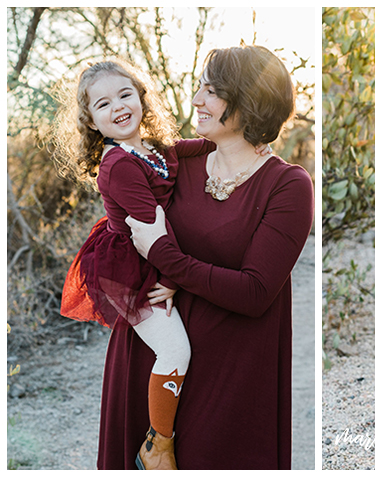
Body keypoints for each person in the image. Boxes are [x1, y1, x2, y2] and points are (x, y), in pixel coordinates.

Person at [101, 45, 312, 469]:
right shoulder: (177, 160)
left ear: (250, 100)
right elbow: (121, 206)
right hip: (154, 356)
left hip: (232, 368)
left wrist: (166, 256)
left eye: (212, 91)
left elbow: (255, 292)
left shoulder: (288, 186)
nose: (197, 99)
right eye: (200, 87)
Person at [53, 58, 250, 469]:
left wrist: (243, 143)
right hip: (129, 263)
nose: (118, 107)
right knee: (175, 349)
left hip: (153, 249)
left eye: (126, 94)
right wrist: (176, 278)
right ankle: (158, 444)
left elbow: (192, 150)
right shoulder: (119, 165)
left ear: (142, 98)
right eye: (103, 104)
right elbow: (149, 230)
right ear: (90, 120)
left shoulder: (151, 147)